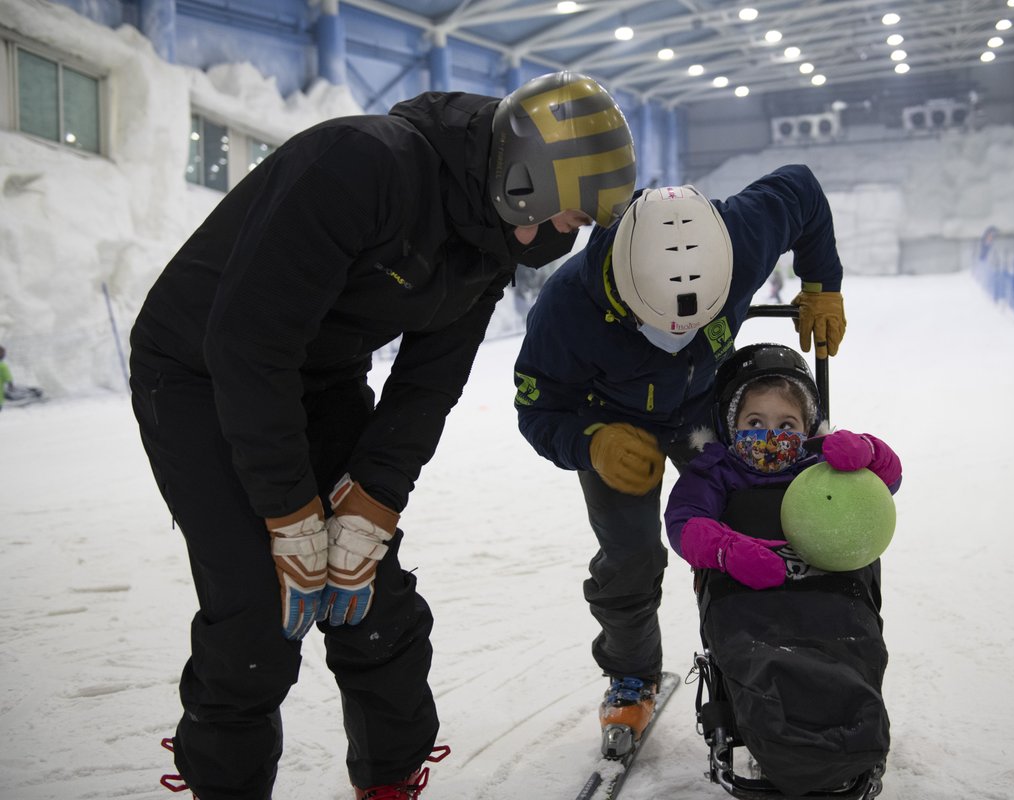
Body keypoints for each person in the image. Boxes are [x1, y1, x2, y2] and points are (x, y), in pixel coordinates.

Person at [128, 71, 635, 800]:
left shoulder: (490, 239)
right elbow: (247, 345)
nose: (563, 237)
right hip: (198, 371)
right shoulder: (361, 165)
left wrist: (374, 502)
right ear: (527, 179)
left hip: (318, 376)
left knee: (367, 588)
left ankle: (390, 779)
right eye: (568, 216)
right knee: (258, 608)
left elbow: (427, 387)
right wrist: (290, 511)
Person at [511, 167, 848, 755]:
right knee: (630, 556)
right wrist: (592, 443)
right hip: (614, 426)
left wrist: (823, 282)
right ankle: (631, 674)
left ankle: (767, 653)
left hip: (702, 407)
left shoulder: (741, 238)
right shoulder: (566, 308)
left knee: (753, 523)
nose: (677, 337)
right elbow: (537, 409)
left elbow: (801, 189)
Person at [665, 343, 901, 798]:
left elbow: (887, 481)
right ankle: (783, 733)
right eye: (754, 422)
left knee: (848, 646)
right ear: (731, 424)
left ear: (807, 428)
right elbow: (684, 523)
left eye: (787, 425)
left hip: (827, 594)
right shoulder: (717, 470)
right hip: (749, 600)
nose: (770, 435)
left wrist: (867, 452)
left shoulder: (822, 463)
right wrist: (727, 550)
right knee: (762, 658)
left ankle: (850, 724)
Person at [0, 344, 44, 410]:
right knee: (12, 394)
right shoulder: (3, 366)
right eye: (3, 353)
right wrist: (11, 386)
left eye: (4, 353)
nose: (4, 355)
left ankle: (34, 392)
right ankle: (35, 394)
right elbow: (8, 378)